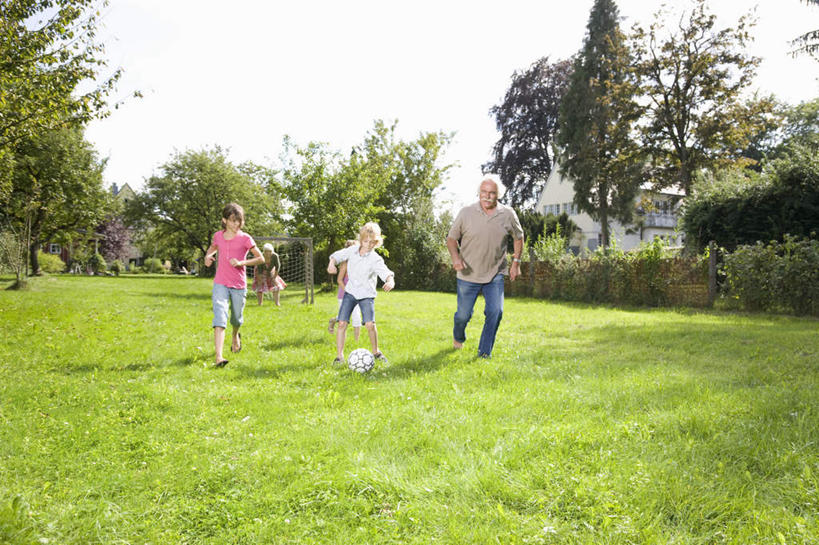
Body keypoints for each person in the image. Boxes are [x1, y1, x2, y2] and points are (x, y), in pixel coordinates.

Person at [446, 174, 524, 358]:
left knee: (495, 312)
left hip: (495, 273)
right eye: (483, 192)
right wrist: (456, 257)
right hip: (467, 273)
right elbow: (451, 239)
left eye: (491, 193)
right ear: (478, 192)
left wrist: (516, 262)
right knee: (463, 316)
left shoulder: (507, 214)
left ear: (498, 195)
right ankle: (458, 336)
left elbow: (519, 237)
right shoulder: (466, 212)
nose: (487, 196)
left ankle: (484, 353)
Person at [204, 203, 265, 367]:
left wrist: (242, 262)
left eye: (239, 221)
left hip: (238, 284)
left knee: (236, 318)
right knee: (220, 316)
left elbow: (261, 258)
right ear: (224, 220)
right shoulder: (217, 236)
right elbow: (211, 250)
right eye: (232, 221)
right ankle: (219, 357)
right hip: (220, 283)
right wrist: (207, 257)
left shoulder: (245, 238)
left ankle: (235, 335)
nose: (236, 224)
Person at [327, 222, 395, 365]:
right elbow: (336, 256)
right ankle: (339, 357)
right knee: (342, 323)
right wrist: (331, 264)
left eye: (372, 242)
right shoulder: (352, 250)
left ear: (376, 242)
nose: (368, 244)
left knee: (369, 324)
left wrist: (390, 280)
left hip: (366, 295)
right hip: (350, 292)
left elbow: (385, 272)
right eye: (366, 241)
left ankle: (376, 352)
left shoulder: (375, 259)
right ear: (361, 239)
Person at [328, 240, 362, 340]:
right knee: (344, 319)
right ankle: (334, 321)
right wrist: (349, 292)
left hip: (357, 294)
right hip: (344, 295)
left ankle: (357, 342)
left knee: (357, 318)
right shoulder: (345, 264)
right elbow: (339, 280)